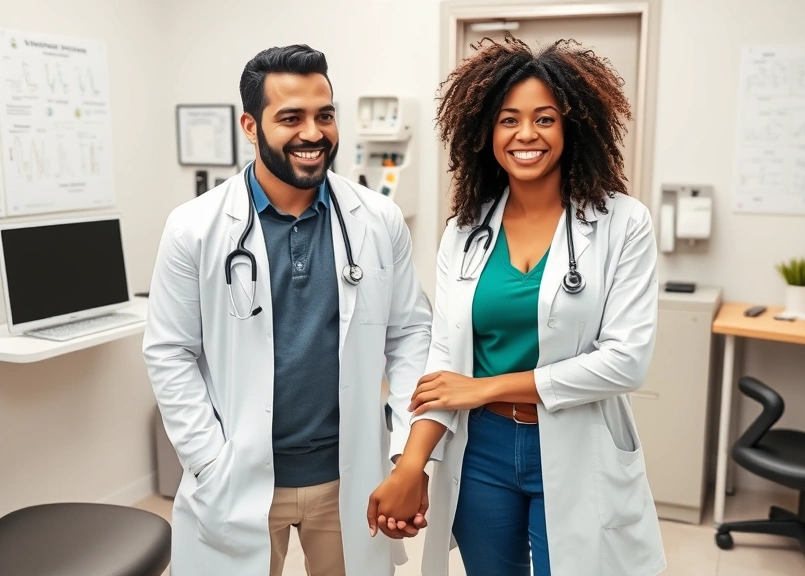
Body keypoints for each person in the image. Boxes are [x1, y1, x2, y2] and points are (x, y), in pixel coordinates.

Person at [367, 37, 667, 576]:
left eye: (545, 119)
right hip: (482, 451)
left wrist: (487, 387)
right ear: (486, 132)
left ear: (574, 127)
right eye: (509, 120)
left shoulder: (624, 223)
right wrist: (411, 463)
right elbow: (443, 357)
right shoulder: (465, 231)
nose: (526, 134)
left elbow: (626, 361)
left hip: (577, 443)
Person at [143, 44, 445, 576]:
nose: (313, 133)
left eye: (324, 115)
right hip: (240, 477)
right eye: (291, 117)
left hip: (349, 477)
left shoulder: (378, 220)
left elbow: (410, 338)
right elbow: (170, 353)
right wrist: (211, 463)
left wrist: (404, 456)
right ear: (250, 126)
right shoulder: (193, 227)